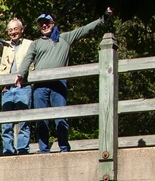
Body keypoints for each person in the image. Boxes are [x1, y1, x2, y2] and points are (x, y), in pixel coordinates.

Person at [18, 8, 113, 153]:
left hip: (58, 83)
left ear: (53, 23)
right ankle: (44, 149)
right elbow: (27, 59)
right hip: (40, 85)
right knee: (40, 119)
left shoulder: (64, 38)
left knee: (61, 118)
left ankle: (64, 147)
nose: (44, 26)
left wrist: (104, 17)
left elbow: (85, 29)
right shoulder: (36, 44)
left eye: (47, 23)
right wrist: (20, 74)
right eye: (41, 23)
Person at [0, 5, 34, 155]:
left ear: (22, 30)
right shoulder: (4, 46)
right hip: (7, 88)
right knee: (6, 122)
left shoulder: (31, 44)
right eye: (10, 30)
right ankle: (8, 151)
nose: (13, 32)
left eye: (15, 29)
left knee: (24, 120)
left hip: (24, 87)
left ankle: (23, 149)